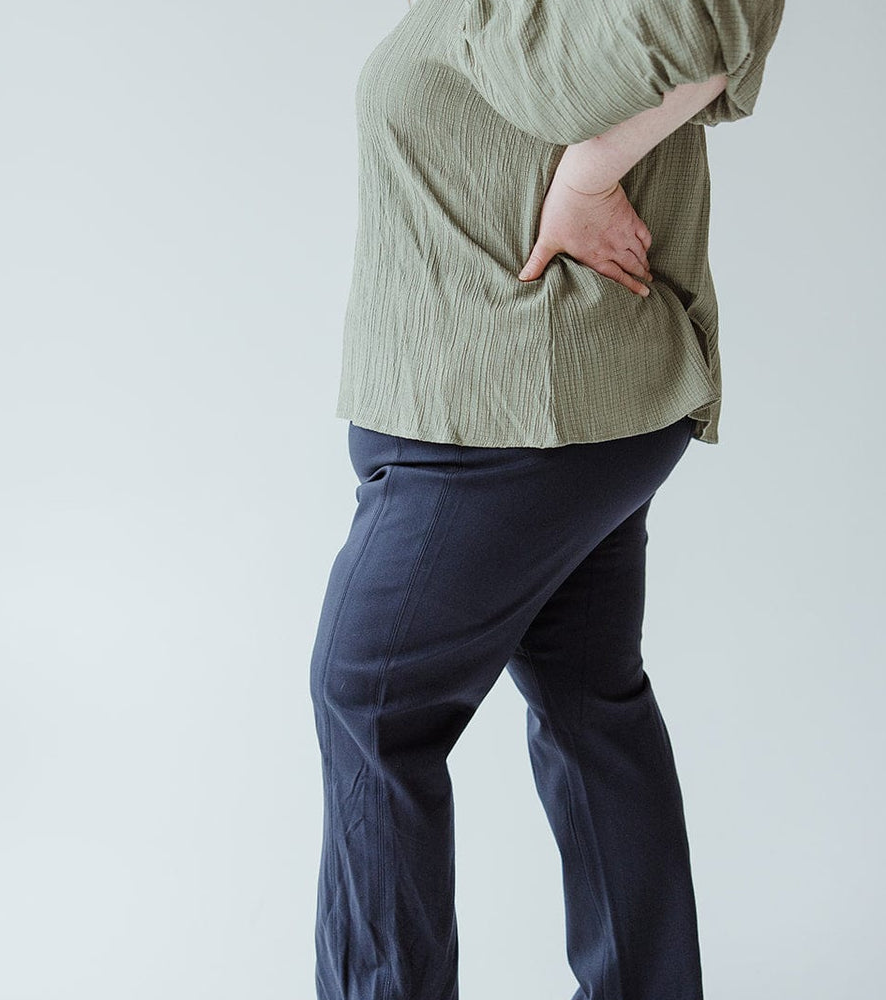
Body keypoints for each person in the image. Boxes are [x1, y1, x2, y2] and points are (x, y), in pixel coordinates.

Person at [309, 1, 786, 998]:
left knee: (371, 702)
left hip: (516, 414)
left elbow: (715, 20)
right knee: (588, 703)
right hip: (528, 406)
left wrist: (586, 171)